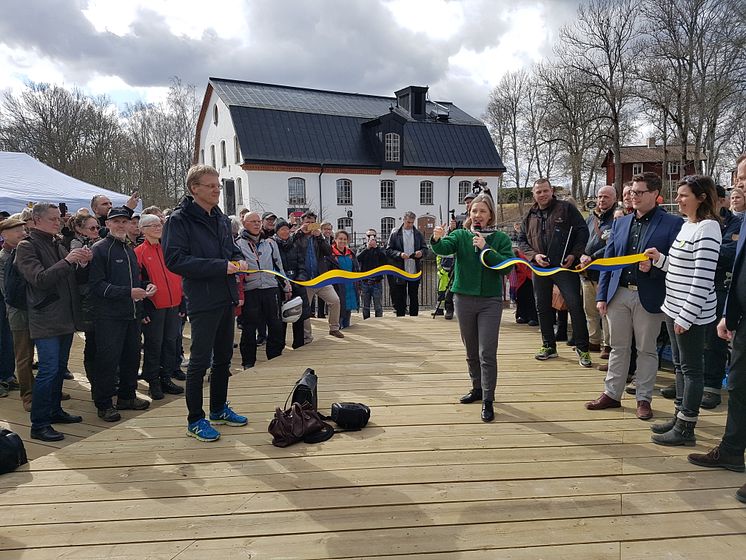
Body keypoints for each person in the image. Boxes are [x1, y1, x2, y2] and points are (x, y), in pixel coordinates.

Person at [585, 172, 683, 420]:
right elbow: (609, 261)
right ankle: (612, 394)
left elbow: (678, 265)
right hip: (619, 294)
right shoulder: (620, 223)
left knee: (646, 350)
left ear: (654, 194)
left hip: (650, 296)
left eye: (639, 192)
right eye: (631, 193)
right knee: (618, 347)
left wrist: (655, 267)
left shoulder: (673, 224)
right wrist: (602, 296)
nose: (633, 197)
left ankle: (643, 398)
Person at [163, 164, 248, 442]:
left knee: (224, 359)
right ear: (194, 188)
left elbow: (231, 249)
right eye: (211, 185)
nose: (217, 190)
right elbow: (175, 260)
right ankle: (195, 419)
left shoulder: (221, 218)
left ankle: (218, 409)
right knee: (199, 362)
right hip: (202, 299)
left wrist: (238, 260)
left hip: (226, 296)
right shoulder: (180, 220)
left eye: (218, 185)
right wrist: (221, 266)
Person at [644, 175, 722, 445]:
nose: (677, 199)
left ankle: (686, 427)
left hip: (690, 314)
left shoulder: (709, 229)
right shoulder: (688, 226)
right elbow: (680, 268)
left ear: (701, 198)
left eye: (683, 195)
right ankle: (679, 416)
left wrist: (687, 317)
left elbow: (702, 278)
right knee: (678, 366)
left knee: (691, 370)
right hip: (672, 308)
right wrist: (660, 260)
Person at [687, 154, 746, 503]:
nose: (741, 183)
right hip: (742, 320)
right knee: (738, 387)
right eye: (739, 176)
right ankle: (731, 450)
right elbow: (739, 270)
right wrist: (730, 314)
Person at [431, 193, 514, 422]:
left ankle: (488, 398)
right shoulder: (460, 235)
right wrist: (437, 239)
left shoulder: (500, 239)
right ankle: (476, 388)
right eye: (474, 211)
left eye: (482, 212)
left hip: (490, 301)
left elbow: (507, 268)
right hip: (464, 299)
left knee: (486, 351)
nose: (477, 215)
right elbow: (443, 248)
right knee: (470, 351)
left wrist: (486, 248)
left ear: (490, 216)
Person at [16, 203, 90, 441]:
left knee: (58, 368)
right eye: (53, 219)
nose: (58, 222)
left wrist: (82, 264)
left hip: (63, 317)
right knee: (48, 370)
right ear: (36, 221)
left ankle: (54, 411)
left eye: (59, 218)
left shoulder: (56, 243)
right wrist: (68, 260)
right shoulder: (26, 246)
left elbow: (69, 279)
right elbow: (39, 279)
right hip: (45, 318)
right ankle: (39, 424)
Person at [517, 178, 592, 367]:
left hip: (563, 267)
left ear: (552, 191)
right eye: (538, 192)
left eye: (545, 191)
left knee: (575, 305)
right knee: (542, 307)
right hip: (540, 267)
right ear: (533, 194)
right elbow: (522, 240)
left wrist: (574, 255)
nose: (542, 194)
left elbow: (583, 232)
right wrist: (534, 256)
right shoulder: (529, 215)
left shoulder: (566, 209)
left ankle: (582, 348)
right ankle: (548, 345)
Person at [89, 206, 153, 422]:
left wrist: (147, 286)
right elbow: (97, 286)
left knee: (131, 357)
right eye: (116, 221)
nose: (120, 225)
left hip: (131, 314)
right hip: (108, 317)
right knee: (108, 360)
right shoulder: (99, 249)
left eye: (124, 222)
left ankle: (127, 397)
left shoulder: (128, 249)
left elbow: (134, 282)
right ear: (107, 224)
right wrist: (128, 292)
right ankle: (104, 403)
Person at [134, 214, 185, 400]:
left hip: (173, 303)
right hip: (154, 305)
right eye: (153, 225)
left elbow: (180, 275)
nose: (158, 228)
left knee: (171, 342)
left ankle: (166, 377)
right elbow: (138, 281)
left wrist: (182, 302)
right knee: (154, 344)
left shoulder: (169, 249)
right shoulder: (138, 252)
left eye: (159, 224)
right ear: (143, 230)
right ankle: (153, 380)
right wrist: (144, 308)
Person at [700, 185, 742, 409]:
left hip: (719, 289)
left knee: (714, 341)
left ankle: (711, 386)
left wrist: (704, 249)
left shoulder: (736, 223)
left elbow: (731, 252)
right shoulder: (693, 222)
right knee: (692, 339)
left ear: (722, 201)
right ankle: (689, 383)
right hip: (695, 286)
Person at [236, 211, 289, 369]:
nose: (257, 224)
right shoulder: (238, 244)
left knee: (275, 324)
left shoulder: (270, 243)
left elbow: (278, 265)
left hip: (270, 288)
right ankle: (248, 362)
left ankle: (274, 357)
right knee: (249, 327)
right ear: (244, 224)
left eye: (258, 221)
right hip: (250, 290)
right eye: (252, 221)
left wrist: (286, 284)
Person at [293, 211, 344, 339]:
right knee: (306, 309)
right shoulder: (297, 236)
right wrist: (299, 232)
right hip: (305, 279)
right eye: (307, 222)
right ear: (302, 223)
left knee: (335, 300)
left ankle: (334, 328)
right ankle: (307, 337)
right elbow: (289, 244)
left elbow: (328, 252)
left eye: (312, 223)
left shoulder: (318, 237)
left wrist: (320, 236)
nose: (310, 225)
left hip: (321, 278)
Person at [0, 218, 32, 409]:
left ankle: (45, 390)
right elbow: (6, 291)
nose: (22, 233)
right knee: (24, 355)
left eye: (23, 229)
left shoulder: (27, 252)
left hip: (36, 310)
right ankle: (28, 396)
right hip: (17, 311)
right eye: (16, 231)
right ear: (4, 235)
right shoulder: (3, 259)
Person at [579, 186, 616, 355]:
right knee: (590, 310)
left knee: (606, 312)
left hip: (605, 272)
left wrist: (592, 257)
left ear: (614, 199)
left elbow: (613, 244)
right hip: (587, 272)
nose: (602, 200)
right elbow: (581, 240)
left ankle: (608, 345)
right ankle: (593, 341)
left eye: (606, 197)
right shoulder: (589, 219)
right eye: (600, 196)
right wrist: (581, 255)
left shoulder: (618, 219)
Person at [69, 213, 100, 384]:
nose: (96, 230)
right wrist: (84, 263)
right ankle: (94, 380)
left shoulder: (98, 243)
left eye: (97, 227)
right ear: (79, 229)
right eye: (92, 228)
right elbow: (77, 278)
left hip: (101, 300)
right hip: (87, 301)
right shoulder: (76, 246)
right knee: (93, 343)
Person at [273, 218, 309, 349]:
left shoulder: (295, 245)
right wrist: (283, 284)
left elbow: (302, 264)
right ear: (277, 231)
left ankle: (299, 344)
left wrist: (300, 279)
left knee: (298, 316)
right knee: (281, 318)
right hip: (280, 284)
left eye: (287, 229)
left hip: (296, 283)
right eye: (282, 229)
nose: (285, 232)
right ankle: (280, 345)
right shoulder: (273, 245)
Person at [386, 211, 428, 317]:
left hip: (414, 269)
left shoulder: (418, 234)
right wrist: (399, 254)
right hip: (400, 270)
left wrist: (421, 253)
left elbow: (425, 249)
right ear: (403, 220)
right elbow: (388, 250)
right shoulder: (395, 234)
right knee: (400, 296)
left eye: (412, 223)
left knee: (414, 295)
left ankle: (415, 318)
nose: (410, 224)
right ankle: (401, 318)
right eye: (408, 222)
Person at [330, 230, 359, 329]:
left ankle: (347, 329)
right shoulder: (331, 254)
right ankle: (336, 329)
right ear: (335, 239)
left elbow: (356, 268)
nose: (343, 241)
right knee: (339, 310)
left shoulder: (350, 253)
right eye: (340, 239)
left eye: (345, 239)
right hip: (337, 287)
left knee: (348, 311)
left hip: (350, 286)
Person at [356, 228, 387, 319]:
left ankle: (379, 322)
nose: (371, 238)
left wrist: (376, 248)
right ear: (366, 237)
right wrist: (367, 248)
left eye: (373, 236)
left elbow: (385, 260)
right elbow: (357, 259)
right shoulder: (362, 248)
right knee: (365, 306)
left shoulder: (380, 249)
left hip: (376, 282)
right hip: (365, 282)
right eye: (369, 236)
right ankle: (366, 321)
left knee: (378, 306)